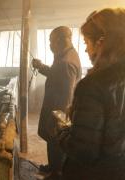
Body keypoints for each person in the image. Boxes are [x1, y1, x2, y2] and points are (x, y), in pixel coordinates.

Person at [58, 8, 125, 180]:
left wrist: (63, 131)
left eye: (87, 42)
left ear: (102, 43)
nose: (86, 50)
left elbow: (83, 151)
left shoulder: (92, 86)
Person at [32, 26, 82, 178]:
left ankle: (57, 172)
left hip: (58, 110)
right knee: (51, 139)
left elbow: (66, 95)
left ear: (61, 40)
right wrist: (40, 67)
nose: (50, 45)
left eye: (51, 41)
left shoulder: (66, 62)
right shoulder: (65, 55)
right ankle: (53, 166)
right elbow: (55, 75)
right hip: (56, 107)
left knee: (56, 142)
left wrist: (58, 119)